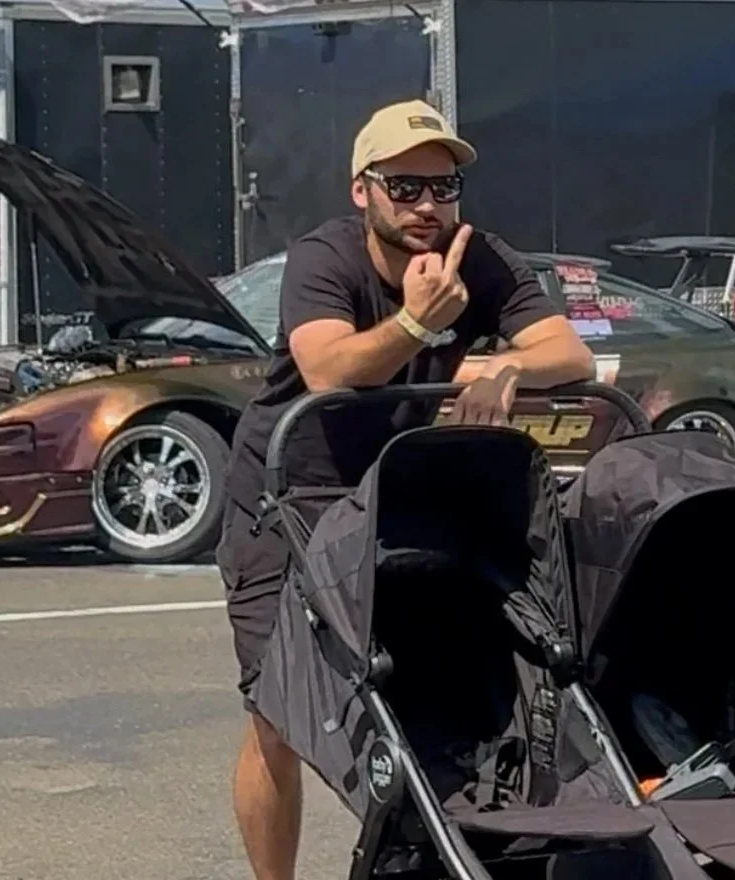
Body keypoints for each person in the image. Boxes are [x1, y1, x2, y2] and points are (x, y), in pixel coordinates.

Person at [216, 98, 595, 880]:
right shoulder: (326, 259)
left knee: (422, 697)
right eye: (406, 187)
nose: (427, 206)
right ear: (363, 189)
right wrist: (420, 325)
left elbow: (571, 353)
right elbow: (328, 369)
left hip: (391, 501)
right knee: (277, 717)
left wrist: (508, 367)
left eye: (443, 188)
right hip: (289, 494)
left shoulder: (476, 256)